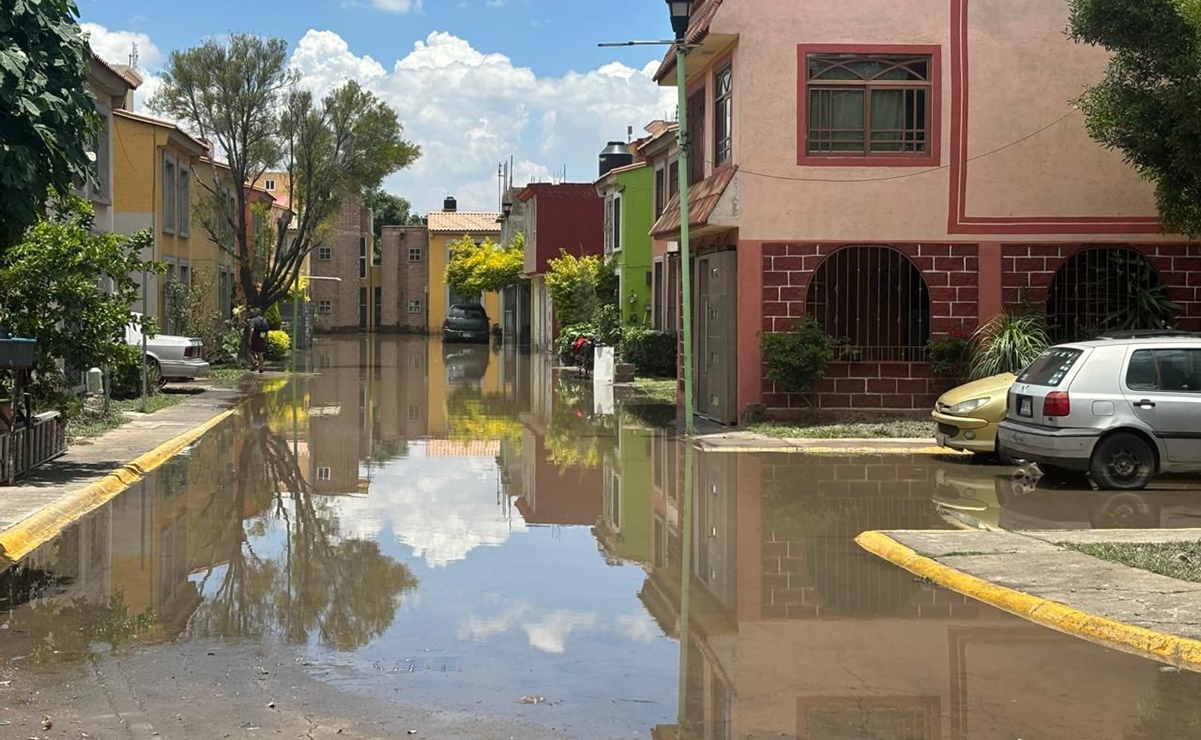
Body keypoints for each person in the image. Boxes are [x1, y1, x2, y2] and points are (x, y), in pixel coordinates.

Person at [247, 308, 269, 372]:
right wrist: (265, 340)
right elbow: (266, 331)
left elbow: (252, 330)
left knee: (249, 351)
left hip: (254, 337)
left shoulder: (253, 320)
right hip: (261, 337)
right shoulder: (264, 320)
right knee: (260, 353)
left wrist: (250, 339)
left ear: (255, 313)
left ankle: (254, 362)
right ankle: (261, 367)